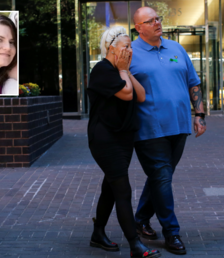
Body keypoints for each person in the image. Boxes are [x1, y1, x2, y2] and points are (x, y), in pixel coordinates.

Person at [130, 7, 207, 255]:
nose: (156, 23)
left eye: (158, 18)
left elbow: (193, 83)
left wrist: (200, 115)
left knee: (161, 177)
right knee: (162, 177)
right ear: (138, 27)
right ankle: (171, 233)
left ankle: (140, 219)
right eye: (149, 20)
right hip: (149, 127)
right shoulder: (129, 52)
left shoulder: (176, 48)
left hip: (179, 125)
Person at [87, 26, 161, 258]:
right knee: (123, 190)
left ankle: (98, 234)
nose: (130, 50)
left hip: (123, 137)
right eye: (126, 46)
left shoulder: (123, 70)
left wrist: (126, 70)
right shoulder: (102, 70)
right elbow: (127, 94)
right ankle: (135, 245)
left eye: (131, 46)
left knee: (110, 188)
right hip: (105, 139)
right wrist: (123, 71)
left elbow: (141, 95)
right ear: (111, 49)